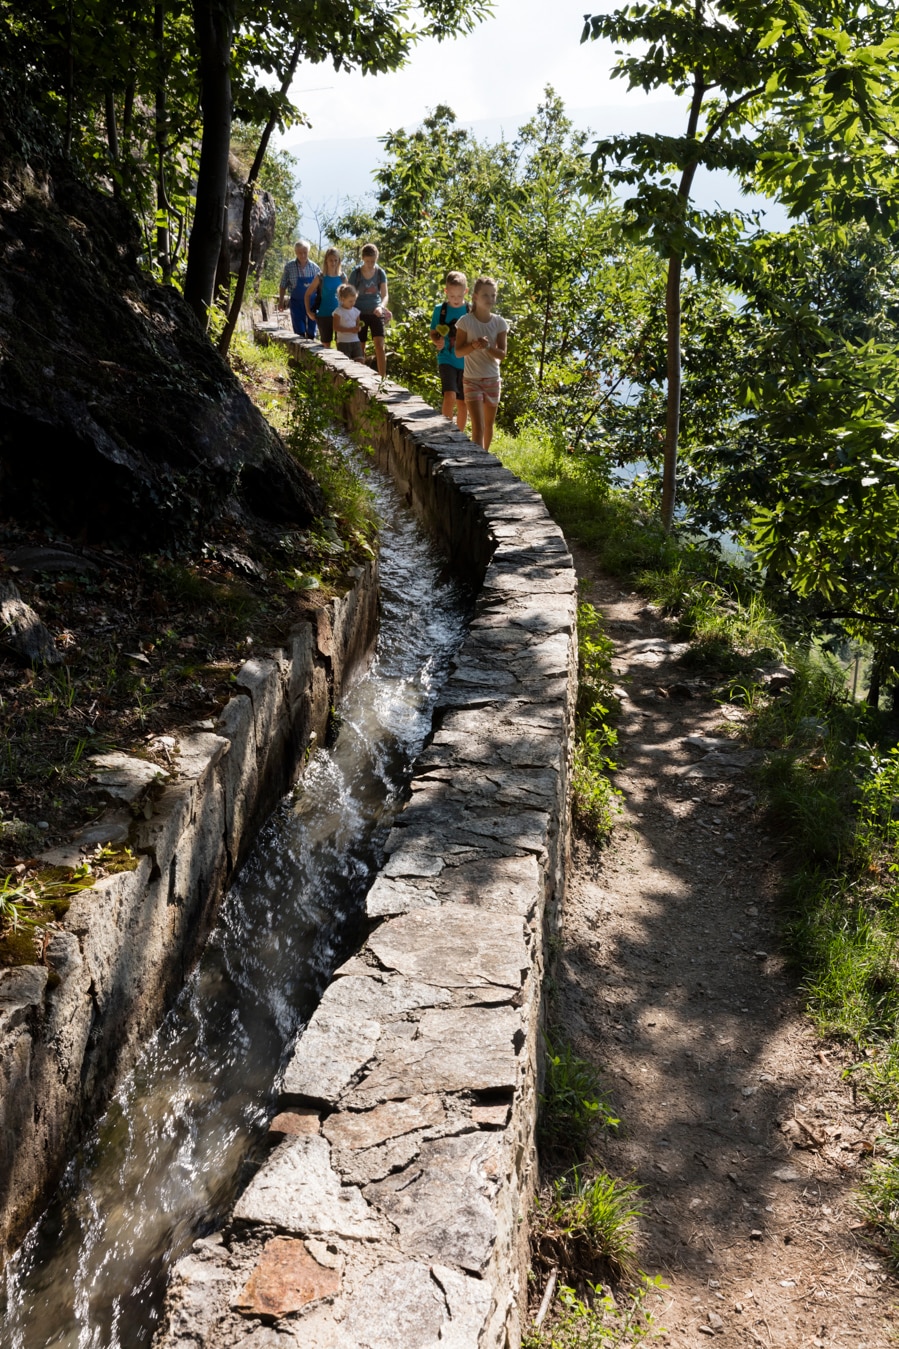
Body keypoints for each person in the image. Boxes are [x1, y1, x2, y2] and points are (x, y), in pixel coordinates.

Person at [453, 276, 507, 452]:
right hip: (472, 380)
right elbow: (458, 351)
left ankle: (485, 456)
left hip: (492, 379)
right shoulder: (465, 321)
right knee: (478, 426)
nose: (490, 299)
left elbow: (502, 354)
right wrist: (473, 345)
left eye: (493, 295)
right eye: (485, 295)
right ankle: (478, 462)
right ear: (475, 297)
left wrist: (487, 347)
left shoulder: (499, 323)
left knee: (488, 426)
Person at [429, 270, 469, 431]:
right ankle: (445, 432)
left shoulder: (470, 311)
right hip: (446, 358)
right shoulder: (441, 310)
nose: (456, 300)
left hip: (467, 362)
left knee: (463, 401)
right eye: (452, 296)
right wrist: (437, 341)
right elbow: (433, 332)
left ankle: (458, 435)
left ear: (465, 291)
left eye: (459, 296)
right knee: (449, 395)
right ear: (446, 292)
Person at [349, 242, 390, 376]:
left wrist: (381, 307)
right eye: (367, 261)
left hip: (376, 312)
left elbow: (385, 295)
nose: (370, 264)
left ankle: (383, 377)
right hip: (359, 313)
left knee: (379, 345)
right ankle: (360, 375)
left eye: (373, 261)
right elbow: (349, 294)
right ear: (363, 259)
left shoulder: (380, 273)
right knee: (361, 346)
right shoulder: (356, 273)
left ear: (376, 258)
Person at [304, 247, 345, 347]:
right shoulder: (320, 277)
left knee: (341, 345)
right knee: (325, 346)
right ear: (326, 260)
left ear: (339, 261)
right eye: (331, 260)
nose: (333, 263)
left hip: (340, 315)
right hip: (324, 315)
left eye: (336, 260)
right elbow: (307, 294)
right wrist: (309, 312)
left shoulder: (342, 277)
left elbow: (349, 296)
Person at [278, 240, 320, 338]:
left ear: (308, 252)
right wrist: (280, 302)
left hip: (312, 303)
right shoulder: (289, 267)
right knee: (299, 331)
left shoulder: (315, 268)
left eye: (305, 252)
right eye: (300, 253)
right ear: (296, 253)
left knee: (311, 331)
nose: (303, 255)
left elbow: (321, 287)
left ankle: (310, 347)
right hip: (296, 303)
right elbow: (283, 285)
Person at [333, 283, 364, 361]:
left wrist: (358, 328)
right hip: (343, 342)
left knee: (360, 360)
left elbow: (358, 324)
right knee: (345, 363)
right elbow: (335, 327)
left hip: (355, 340)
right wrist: (350, 330)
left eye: (354, 301)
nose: (353, 303)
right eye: (350, 301)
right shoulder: (338, 312)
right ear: (343, 299)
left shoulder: (356, 311)